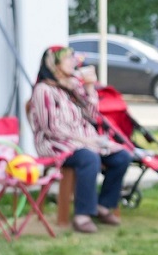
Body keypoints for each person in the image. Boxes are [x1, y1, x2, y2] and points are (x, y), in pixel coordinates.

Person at [28, 44, 131, 233]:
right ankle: (82, 214)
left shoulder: (73, 85)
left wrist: (90, 87)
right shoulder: (43, 90)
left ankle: (103, 205)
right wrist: (85, 141)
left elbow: (93, 116)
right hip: (55, 144)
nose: (73, 62)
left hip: (83, 141)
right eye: (68, 58)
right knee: (89, 157)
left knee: (122, 157)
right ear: (54, 64)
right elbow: (50, 128)